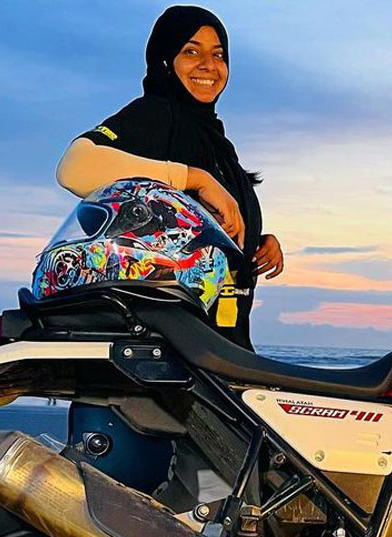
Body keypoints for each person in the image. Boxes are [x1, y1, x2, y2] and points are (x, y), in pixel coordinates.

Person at [55, 5, 282, 351]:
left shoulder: (216, 142)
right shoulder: (157, 114)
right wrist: (194, 178)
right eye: (191, 51)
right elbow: (74, 168)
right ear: (165, 60)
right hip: (165, 348)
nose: (208, 65)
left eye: (218, 54)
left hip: (220, 345)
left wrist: (256, 242)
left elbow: (180, 225)